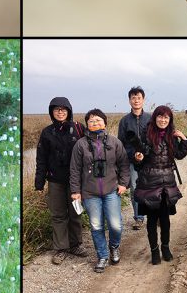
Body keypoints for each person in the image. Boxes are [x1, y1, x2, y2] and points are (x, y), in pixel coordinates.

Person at [70, 109, 130, 273]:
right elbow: (75, 169)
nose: (94, 123)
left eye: (98, 120)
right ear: (87, 124)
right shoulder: (80, 144)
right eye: (91, 121)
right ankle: (102, 256)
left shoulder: (114, 142)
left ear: (104, 122)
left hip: (111, 190)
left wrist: (124, 183)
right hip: (90, 193)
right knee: (96, 226)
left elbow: (124, 164)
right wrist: (75, 190)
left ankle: (114, 247)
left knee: (115, 225)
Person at [34, 97, 89, 264]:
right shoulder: (47, 132)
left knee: (75, 212)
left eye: (63, 109)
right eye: (56, 109)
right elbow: (41, 158)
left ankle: (76, 244)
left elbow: (91, 149)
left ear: (69, 111)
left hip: (75, 181)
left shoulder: (79, 129)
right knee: (58, 215)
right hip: (55, 180)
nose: (60, 112)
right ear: (52, 112)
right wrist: (39, 182)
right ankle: (61, 248)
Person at [133, 106, 187, 265]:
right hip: (149, 182)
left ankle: (165, 247)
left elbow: (179, 155)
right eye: (160, 116)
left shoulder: (172, 135)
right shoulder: (146, 134)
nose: (163, 120)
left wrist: (184, 140)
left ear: (170, 119)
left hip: (167, 182)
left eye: (166, 117)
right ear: (155, 118)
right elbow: (139, 160)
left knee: (165, 218)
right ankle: (154, 251)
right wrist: (138, 158)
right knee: (152, 219)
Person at [117, 86, 152, 230]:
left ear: (143, 100)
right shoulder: (124, 121)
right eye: (133, 98)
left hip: (149, 159)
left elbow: (154, 140)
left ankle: (154, 215)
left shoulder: (150, 119)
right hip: (132, 161)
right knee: (135, 189)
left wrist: (146, 153)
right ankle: (139, 217)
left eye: (139, 98)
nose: (136, 100)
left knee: (152, 188)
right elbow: (121, 143)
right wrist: (133, 155)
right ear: (129, 100)